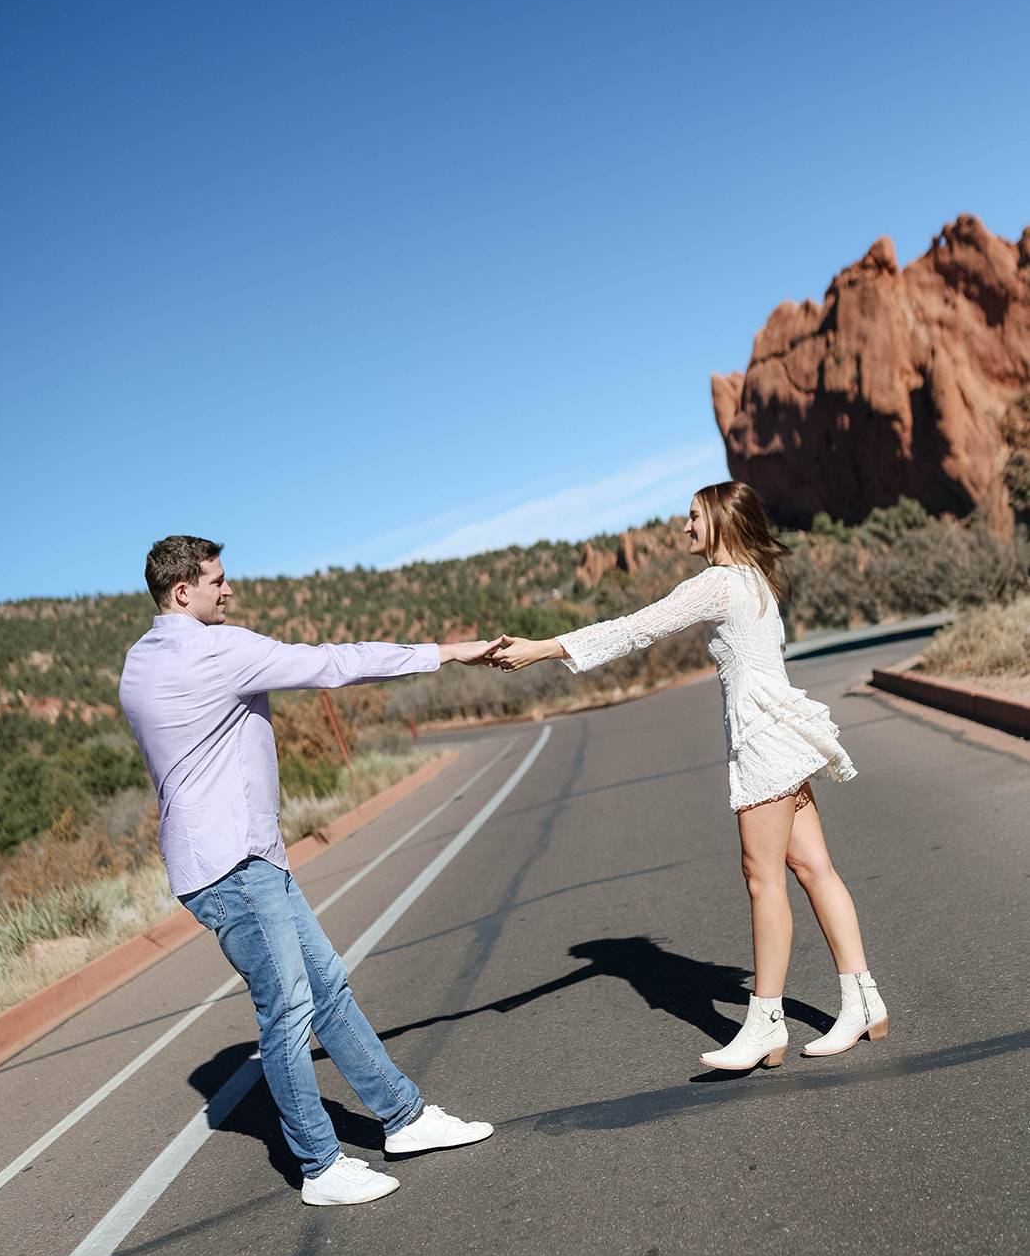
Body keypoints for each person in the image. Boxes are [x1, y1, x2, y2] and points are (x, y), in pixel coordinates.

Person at [120, 535, 499, 1205]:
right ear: (182, 591)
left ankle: (403, 1118)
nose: (227, 590)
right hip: (235, 864)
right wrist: (449, 652)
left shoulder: (139, 659)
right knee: (290, 1009)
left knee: (325, 988)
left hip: (233, 859)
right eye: (216, 582)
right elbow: (334, 664)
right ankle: (319, 1167)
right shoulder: (214, 649)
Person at [489, 482, 888, 1071]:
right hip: (782, 731)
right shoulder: (754, 578)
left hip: (762, 740)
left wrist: (544, 648)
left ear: (724, 522)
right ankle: (863, 1001)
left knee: (762, 877)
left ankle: (764, 1022)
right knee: (811, 867)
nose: (684, 527)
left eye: (694, 517)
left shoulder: (719, 583)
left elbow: (636, 627)